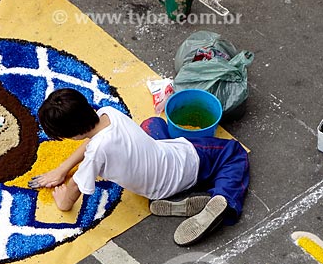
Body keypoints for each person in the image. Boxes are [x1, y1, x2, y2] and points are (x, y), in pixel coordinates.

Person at [28, 88, 249, 246]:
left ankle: (214, 200)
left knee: (155, 126)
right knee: (231, 153)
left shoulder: (96, 152)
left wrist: (62, 198)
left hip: (162, 184)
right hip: (179, 164)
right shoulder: (108, 113)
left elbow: (72, 193)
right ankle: (221, 196)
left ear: (72, 134)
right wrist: (63, 173)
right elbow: (90, 146)